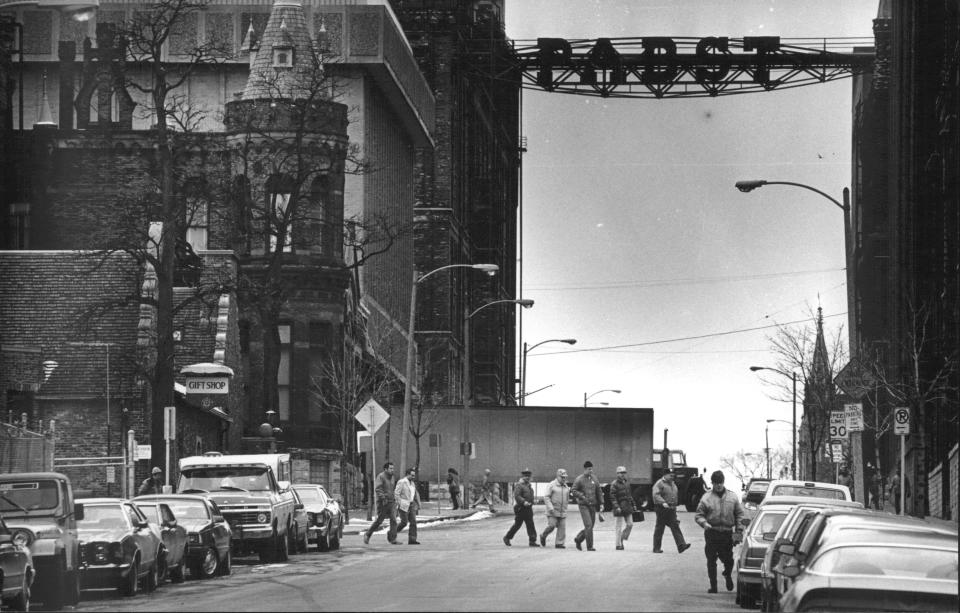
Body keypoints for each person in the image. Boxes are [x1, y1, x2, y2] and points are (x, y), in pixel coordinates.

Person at [695, 470, 745, 594]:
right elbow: (699, 515)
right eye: (716, 483)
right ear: (712, 483)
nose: (718, 485)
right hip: (712, 532)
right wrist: (704, 523)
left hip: (727, 533)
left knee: (728, 559)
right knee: (711, 560)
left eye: (720, 483)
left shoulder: (732, 497)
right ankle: (713, 586)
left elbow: (739, 514)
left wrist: (738, 530)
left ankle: (727, 575)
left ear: (724, 482)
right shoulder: (706, 497)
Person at [652, 468, 691, 554]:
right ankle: (656, 548)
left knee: (675, 526)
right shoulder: (659, 483)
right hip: (662, 508)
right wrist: (663, 502)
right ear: (665, 475)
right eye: (670, 475)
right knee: (660, 528)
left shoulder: (673, 484)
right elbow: (655, 495)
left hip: (671, 508)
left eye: (673, 475)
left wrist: (674, 506)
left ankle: (681, 545)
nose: (672, 477)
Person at [363, 461, 398, 545]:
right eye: (390, 468)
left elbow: (392, 489)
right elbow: (378, 489)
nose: (392, 470)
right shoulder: (381, 476)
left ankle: (392, 539)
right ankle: (368, 534)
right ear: (385, 469)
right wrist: (383, 497)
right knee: (379, 520)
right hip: (383, 502)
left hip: (391, 502)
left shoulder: (392, 477)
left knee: (393, 520)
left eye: (393, 468)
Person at [572, 461, 604, 551]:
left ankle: (579, 539)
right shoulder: (579, 479)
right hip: (584, 506)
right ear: (585, 469)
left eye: (592, 469)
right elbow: (573, 490)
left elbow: (599, 491)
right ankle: (590, 546)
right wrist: (581, 496)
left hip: (592, 505)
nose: (591, 471)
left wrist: (602, 503)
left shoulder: (594, 479)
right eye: (589, 469)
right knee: (589, 525)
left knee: (590, 526)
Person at [503, 468, 539, 547]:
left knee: (530, 524)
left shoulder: (529, 486)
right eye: (526, 476)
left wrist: (532, 501)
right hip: (521, 508)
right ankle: (507, 537)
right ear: (522, 477)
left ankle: (532, 541)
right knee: (517, 525)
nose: (527, 477)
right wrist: (523, 502)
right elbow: (517, 496)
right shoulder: (519, 485)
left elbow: (530, 496)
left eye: (528, 476)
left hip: (528, 508)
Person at [539, 468, 570, 548]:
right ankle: (543, 535)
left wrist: (565, 508)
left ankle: (559, 543)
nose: (564, 479)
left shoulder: (566, 487)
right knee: (552, 526)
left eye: (565, 477)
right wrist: (550, 508)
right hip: (552, 510)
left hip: (562, 511)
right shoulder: (552, 485)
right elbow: (546, 497)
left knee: (562, 527)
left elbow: (567, 499)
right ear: (558, 476)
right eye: (562, 477)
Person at [609, 465, 636, 550]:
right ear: (617, 474)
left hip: (627, 506)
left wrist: (634, 504)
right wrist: (617, 507)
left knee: (630, 524)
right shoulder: (614, 484)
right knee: (618, 527)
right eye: (621, 473)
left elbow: (629, 495)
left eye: (624, 473)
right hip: (619, 508)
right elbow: (613, 497)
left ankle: (622, 537)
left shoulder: (627, 482)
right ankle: (618, 545)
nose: (623, 474)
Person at [394, 467, 421, 545]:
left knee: (413, 522)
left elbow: (415, 494)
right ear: (407, 475)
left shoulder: (412, 483)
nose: (413, 477)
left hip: (411, 504)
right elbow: (396, 493)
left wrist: (418, 503)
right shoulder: (402, 482)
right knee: (404, 522)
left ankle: (412, 539)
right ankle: (392, 533)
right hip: (404, 505)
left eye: (414, 475)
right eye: (412, 475)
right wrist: (399, 503)